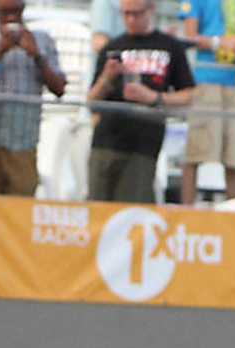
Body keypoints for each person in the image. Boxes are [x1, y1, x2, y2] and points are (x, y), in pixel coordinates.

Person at [86, 0, 194, 203]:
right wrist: (107, 77)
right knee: (98, 208)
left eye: (136, 13)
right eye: (126, 14)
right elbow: (91, 101)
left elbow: (190, 95)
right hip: (106, 140)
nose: (131, 20)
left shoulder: (170, 47)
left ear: (150, 9)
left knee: (133, 210)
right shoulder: (112, 47)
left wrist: (154, 97)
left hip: (144, 142)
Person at [0, 0, 66, 196]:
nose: (11, 17)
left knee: (20, 205)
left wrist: (37, 56)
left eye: (16, 11)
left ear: (23, 9)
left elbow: (59, 88)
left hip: (24, 143)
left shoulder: (42, 41)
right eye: (5, 12)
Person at [177, 0, 235, 205]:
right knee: (195, 152)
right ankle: (185, 213)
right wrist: (219, 42)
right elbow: (189, 37)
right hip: (207, 80)